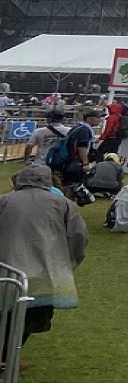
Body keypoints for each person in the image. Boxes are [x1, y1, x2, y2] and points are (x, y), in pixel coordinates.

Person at [0, 164, 88, 350]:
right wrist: (67, 264)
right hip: (45, 272)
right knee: (30, 318)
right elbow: (78, 237)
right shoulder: (63, 204)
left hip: (7, 271)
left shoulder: (5, 200)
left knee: (6, 315)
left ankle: (6, 358)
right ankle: (8, 357)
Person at [58, 108, 103, 194]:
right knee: (73, 185)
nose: (99, 119)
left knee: (66, 183)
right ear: (89, 119)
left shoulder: (78, 127)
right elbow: (81, 147)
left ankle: (63, 201)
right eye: (97, 117)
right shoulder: (84, 130)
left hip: (68, 160)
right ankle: (67, 203)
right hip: (75, 161)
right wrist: (85, 163)